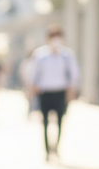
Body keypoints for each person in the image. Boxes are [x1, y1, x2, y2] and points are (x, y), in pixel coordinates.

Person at [28, 25, 80, 160]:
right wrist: (33, 88)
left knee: (60, 121)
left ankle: (56, 147)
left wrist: (71, 91)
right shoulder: (40, 55)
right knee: (44, 122)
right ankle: (46, 150)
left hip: (60, 91)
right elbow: (33, 73)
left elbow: (73, 74)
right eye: (53, 37)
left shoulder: (67, 55)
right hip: (45, 91)